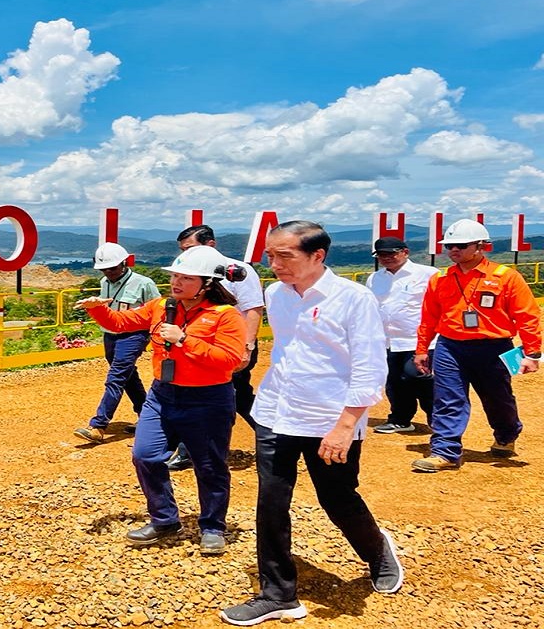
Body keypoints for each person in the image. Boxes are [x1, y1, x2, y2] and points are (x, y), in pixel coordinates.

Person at [220, 221, 402, 627]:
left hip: (329, 419)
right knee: (270, 501)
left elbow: (370, 368)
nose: (274, 264)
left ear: (317, 256)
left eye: (285, 256)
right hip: (275, 412)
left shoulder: (354, 299)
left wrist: (344, 426)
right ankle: (278, 594)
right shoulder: (276, 294)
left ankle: (377, 552)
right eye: (270, 255)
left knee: (337, 498)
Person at [77, 245, 246, 555]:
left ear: (207, 283)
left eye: (185, 278)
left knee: (209, 467)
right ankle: (165, 519)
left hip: (208, 400)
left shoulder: (226, 316)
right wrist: (97, 308)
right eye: (175, 276)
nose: (176, 283)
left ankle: (212, 526)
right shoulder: (161, 306)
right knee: (145, 456)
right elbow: (121, 323)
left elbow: (230, 360)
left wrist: (184, 340)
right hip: (162, 396)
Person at [410, 219, 541, 473]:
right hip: (450, 347)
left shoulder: (506, 278)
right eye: (449, 246)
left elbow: (528, 315)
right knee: (447, 399)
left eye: (460, 245)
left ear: (480, 246)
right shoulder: (441, 279)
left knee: (497, 399)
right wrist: (422, 349)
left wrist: (532, 353)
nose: (453, 251)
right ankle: (444, 451)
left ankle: (506, 434)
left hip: (494, 347)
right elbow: (429, 318)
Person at [167, 224, 265, 471]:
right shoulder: (191, 272)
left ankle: (269, 439)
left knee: (236, 396)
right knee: (225, 397)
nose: (185, 255)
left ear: (210, 245)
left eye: (190, 248)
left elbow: (253, 309)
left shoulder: (238, 271)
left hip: (228, 347)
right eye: (182, 250)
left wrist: (247, 347)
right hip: (195, 348)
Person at [73, 243, 161, 443]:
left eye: (112, 268)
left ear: (124, 263)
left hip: (134, 336)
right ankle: (149, 417)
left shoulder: (144, 283)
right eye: (104, 269)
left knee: (116, 377)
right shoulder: (105, 282)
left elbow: (158, 312)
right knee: (128, 377)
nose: (108, 272)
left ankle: (98, 425)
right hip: (110, 335)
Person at [365, 237, 439, 433]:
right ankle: (400, 419)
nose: (386, 258)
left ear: (405, 252)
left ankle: (438, 421)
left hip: (420, 340)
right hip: (387, 340)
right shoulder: (375, 278)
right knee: (394, 381)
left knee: (420, 378)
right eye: (381, 255)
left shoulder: (429, 274)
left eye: (391, 253)